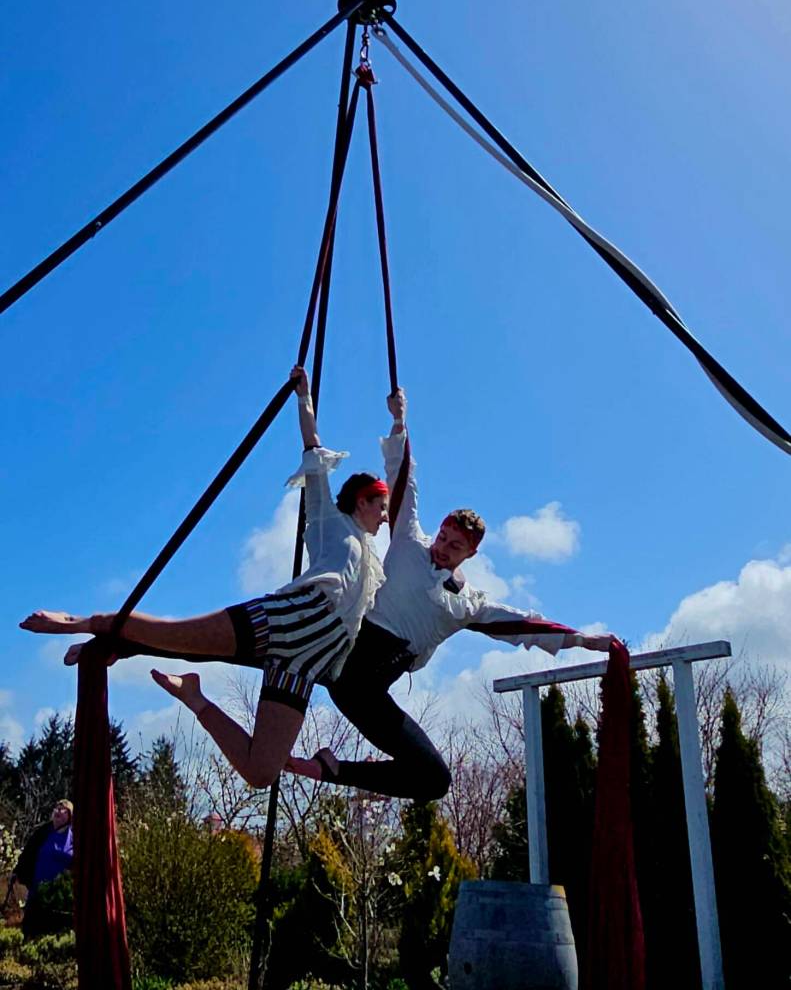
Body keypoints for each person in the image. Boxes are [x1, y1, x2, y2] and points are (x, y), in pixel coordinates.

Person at [20, 367, 388, 789]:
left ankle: (194, 697)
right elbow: (313, 449)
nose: (383, 517)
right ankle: (86, 622)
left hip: (308, 662)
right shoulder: (330, 520)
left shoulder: (372, 557)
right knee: (182, 636)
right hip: (294, 619)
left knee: (261, 772)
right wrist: (303, 398)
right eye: (380, 507)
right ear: (362, 500)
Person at [288, 387, 620, 799]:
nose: (442, 548)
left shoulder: (469, 605)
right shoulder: (409, 541)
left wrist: (585, 639)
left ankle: (332, 769)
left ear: (472, 553)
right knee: (282, 641)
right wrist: (398, 421)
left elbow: (522, 624)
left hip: (367, 694)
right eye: (443, 537)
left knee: (434, 780)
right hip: (346, 660)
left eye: (454, 546)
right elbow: (404, 477)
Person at [13, 800, 74, 937]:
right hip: (37, 891)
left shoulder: (74, 838)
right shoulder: (42, 832)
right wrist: (18, 872)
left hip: (60, 897)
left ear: (70, 816)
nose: (58, 811)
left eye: (63, 809)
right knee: (31, 932)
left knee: (56, 933)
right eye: (56, 808)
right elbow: (28, 853)